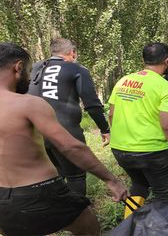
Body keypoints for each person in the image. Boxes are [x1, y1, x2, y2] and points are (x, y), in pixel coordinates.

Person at [0, 42, 127, 235]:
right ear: (18, 67)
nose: (29, 77)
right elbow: (71, 147)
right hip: (41, 193)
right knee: (89, 227)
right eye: (27, 71)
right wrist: (111, 180)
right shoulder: (28, 104)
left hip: (0, 200)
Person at [108, 43, 168, 211]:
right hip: (154, 153)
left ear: (144, 60)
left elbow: (111, 115)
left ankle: (130, 226)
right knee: (165, 195)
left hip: (120, 149)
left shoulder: (123, 81)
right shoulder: (166, 88)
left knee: (139, 186)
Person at [28, 38, 110, 196]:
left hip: (35, 133)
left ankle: (54, 213)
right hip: (66, 132)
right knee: (76, 176)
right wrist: (104, 128)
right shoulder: (76, 69)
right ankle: (77, 215)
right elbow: (92, 104)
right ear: (72, 53)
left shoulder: (35, 67)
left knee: (52, 176)